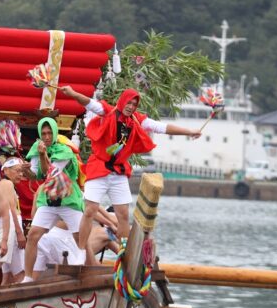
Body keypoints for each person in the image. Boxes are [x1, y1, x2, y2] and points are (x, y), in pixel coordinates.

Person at [59, 86, 201, 262]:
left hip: (118, 171)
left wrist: (189, 132)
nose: (131, 106)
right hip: (99, 168)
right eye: (129, 102)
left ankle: (124, 253)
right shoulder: (108, 112)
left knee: (123, 214)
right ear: (122, 101)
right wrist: (72, 94)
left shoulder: (137, 120)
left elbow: (162, 127)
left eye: (135, 104)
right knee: (89, 210)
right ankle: (79, 251)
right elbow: (89, 103)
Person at [21, 117, 85, 282]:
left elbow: (51, 173)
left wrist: (43, 155)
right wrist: (26, 170)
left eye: (50, 133)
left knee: (80, 236)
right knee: (33, 235)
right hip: (49, 199)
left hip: (67, 197)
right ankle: (28, 277)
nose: (47, 137)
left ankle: (84, 267)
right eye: (43, 133)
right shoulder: (37, 148)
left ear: (55, 133)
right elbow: (36, 176)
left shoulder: (65, 151)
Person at [0, 157, 27, 284]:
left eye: (22, 171)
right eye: (17, 171)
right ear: (6, 170)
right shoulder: (7, 184)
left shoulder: (5, 184)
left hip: (9, 229)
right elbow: (11, 210)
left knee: (8, 275)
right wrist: (19, 232)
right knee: (20, 273)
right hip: (12, 230)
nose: (20, 174)